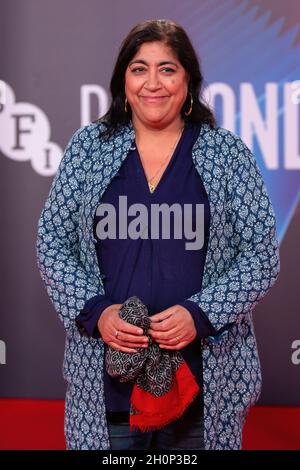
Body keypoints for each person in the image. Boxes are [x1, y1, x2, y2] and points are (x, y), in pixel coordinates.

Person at [36, 19, 280, 450]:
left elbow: (261, 254)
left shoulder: (226, 153)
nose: (153, 83)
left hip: (206, 378)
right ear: (122, 80)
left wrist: (200, 315)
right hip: (107, 375)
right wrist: (97, 313)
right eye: (139, 68)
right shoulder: (88, 148)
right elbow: (52, 241)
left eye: (167, 69)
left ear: (189, 80)